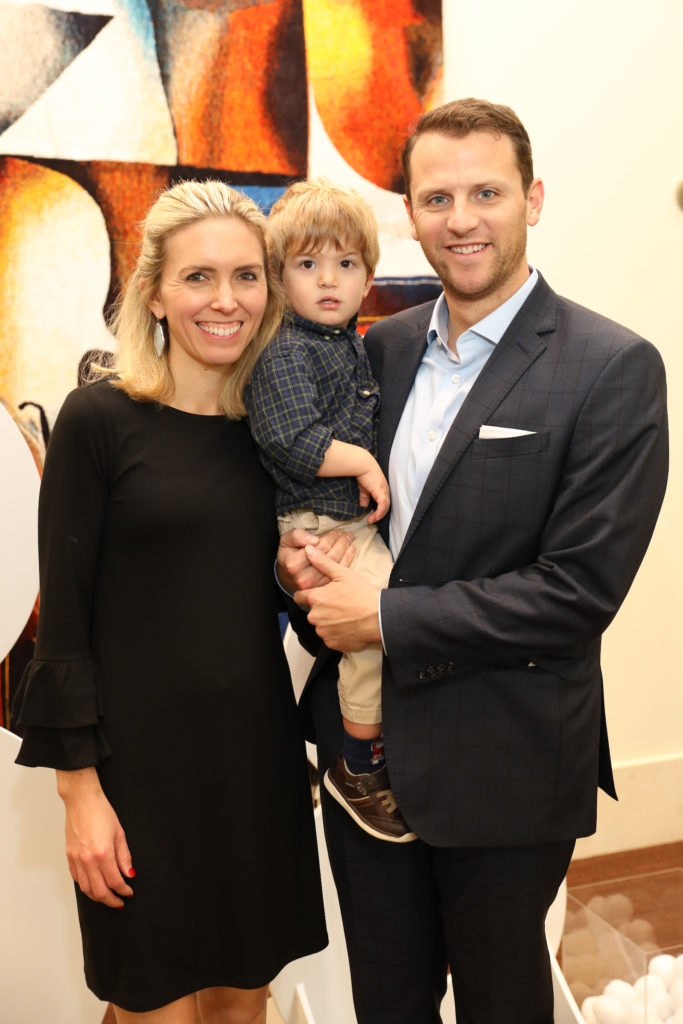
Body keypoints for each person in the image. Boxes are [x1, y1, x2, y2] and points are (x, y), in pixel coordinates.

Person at [277, 99, 669, 1023]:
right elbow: (346, 512)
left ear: (532, 199)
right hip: (360, 757)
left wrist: (382, 619)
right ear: (407, 214)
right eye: (436, 197)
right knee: (388, 1004)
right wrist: (303, 567)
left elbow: (578, 591)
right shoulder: (382, 347)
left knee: (502, 1005)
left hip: (507, 759)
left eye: (485, 192)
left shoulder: (611, 366)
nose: (461, 220)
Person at [12, 180, 327, 1024]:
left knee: (238, 1000)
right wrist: (79, 795)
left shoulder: (280, 437)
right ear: (153, 290)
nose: (224, 301)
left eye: (245, 276)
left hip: (254, 767)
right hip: (135, 778)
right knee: (151, 1006)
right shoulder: (99, 420)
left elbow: (300, 600)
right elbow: (63, 628)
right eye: (197, 278)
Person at [245, 179, 414, 844]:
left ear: (368, 276)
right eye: (307, 264)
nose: (327, 281)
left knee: (387, 628)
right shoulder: (285, 347)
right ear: (279, 274)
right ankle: (359, 766)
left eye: (345, 265)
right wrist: (366, 465)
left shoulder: (344, 341)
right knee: (377, 631)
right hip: (321, 523)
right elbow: (289, 437)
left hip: (343, 521)